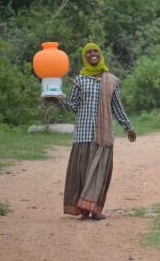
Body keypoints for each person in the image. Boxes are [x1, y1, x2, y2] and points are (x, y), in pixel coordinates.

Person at [46, 42, 136, 220]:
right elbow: (73, 106)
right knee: (82, 173)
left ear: (100, 55)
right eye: (88, 52)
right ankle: (83, 210)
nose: (92, 54)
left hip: (102, 136)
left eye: (95, 51)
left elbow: (117, 107)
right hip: (83, 134)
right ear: (84, 56)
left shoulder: (111, 81)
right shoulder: (80, 80)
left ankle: (94, 209)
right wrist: (57, 101)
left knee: (99, 172)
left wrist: (128, 127)